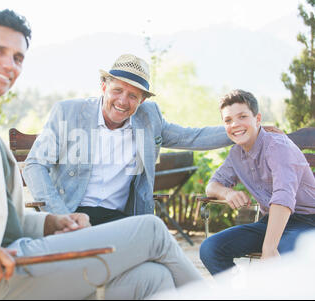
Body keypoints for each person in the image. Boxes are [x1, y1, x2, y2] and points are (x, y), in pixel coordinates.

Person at [0, 9, 204, 300]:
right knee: (152, 230)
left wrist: (50, 221)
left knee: (153, 278)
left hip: (14, 262)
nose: (9, 63)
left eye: (17, 57)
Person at [23, 54, 280, 226]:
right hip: (73, 211)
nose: (123, 101)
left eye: (133, 96)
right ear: (103, 86)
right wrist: (61, 215)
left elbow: (192, 137)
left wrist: (244, 129)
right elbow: (35, 165)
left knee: (158, 257)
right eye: (117, 90)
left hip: (122, 219)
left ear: (143, 100)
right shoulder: (68, 112)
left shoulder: (149, 118)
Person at [199, 89, 315, 275]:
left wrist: (269, 249)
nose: (235, 124)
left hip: (308, 222)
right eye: (228, 120)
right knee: (210, 248)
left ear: (257, 119)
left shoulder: (278, 146)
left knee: (285, 254)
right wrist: (227, 193)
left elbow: (283, 196)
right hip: (269, 222)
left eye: (242, 116)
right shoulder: (236, 154)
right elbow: (212, 185)